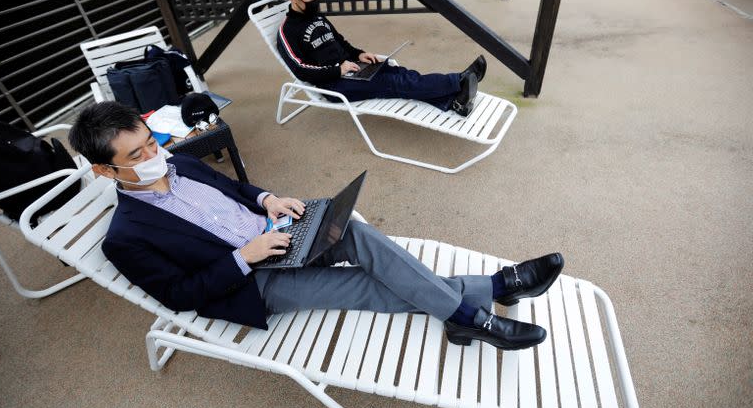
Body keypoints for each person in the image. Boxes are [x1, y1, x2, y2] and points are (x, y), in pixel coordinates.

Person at [68, 102, 564, 349]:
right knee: (362, 284)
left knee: (357, 232)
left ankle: (476, 304)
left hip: (277, 234)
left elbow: (238, 191)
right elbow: (179, 294)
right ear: (104, 170)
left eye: (152, 142)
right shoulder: (127, 238)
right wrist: (246, 257)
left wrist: (268, 198)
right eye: (139, 155)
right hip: (253, 281)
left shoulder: (181, 164)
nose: (156, 155)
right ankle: (485, 300)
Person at [277, 0, 486, 117]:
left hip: (353, 69)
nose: (316, 2)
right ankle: (458, 80)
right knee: (394, 83)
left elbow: (340, 42)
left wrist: (359, 54)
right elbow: (300, 69)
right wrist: (338, 70)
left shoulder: (317, 18)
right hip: (335, 85)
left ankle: (454, 103)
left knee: (401, 73)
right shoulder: (287, 31)